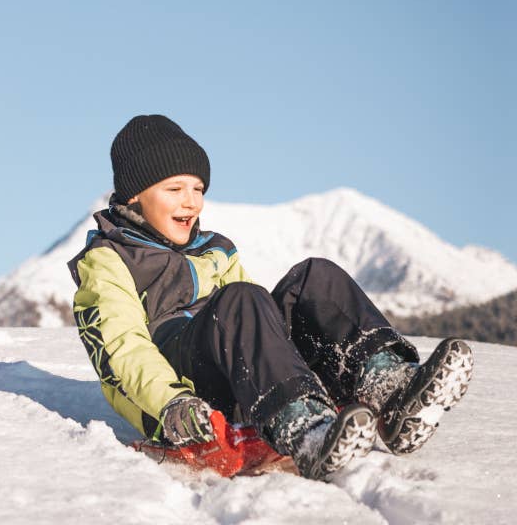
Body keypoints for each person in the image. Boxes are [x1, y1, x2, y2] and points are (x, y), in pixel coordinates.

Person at [69, 114, 474, 480]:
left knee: (316, 276)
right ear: (135, 195)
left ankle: (389, 389)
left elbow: (262, 327)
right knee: (242, 298)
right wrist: (171, 402)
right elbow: (122, 348)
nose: (190, 200)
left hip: (239, 374)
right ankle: (301, 426)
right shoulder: (108, 259)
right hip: (183, 396)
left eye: (197, 188)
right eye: (174, 188)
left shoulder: (215, 248)